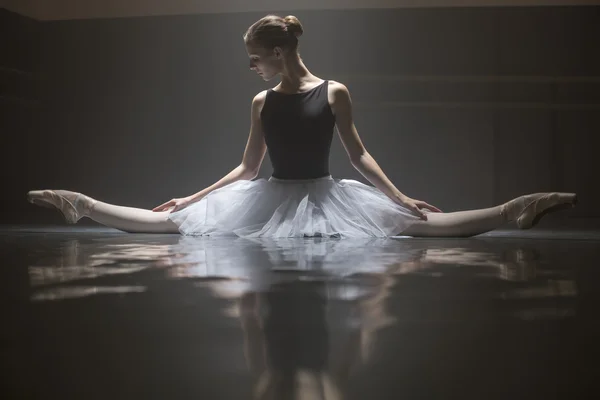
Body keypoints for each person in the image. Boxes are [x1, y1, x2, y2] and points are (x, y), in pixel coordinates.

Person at [27, 15, 577, 238]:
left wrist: (401, 196)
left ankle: (516, 208)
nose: (251, 66)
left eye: (255, 57)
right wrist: (192, 196)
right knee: (171, 226)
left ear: (279, 50)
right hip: (270, 195)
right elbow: (248, 166)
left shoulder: (333, 90)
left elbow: (360, 155)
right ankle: (82, 203)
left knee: (418, 227)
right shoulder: (261, 100)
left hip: (327, 194)